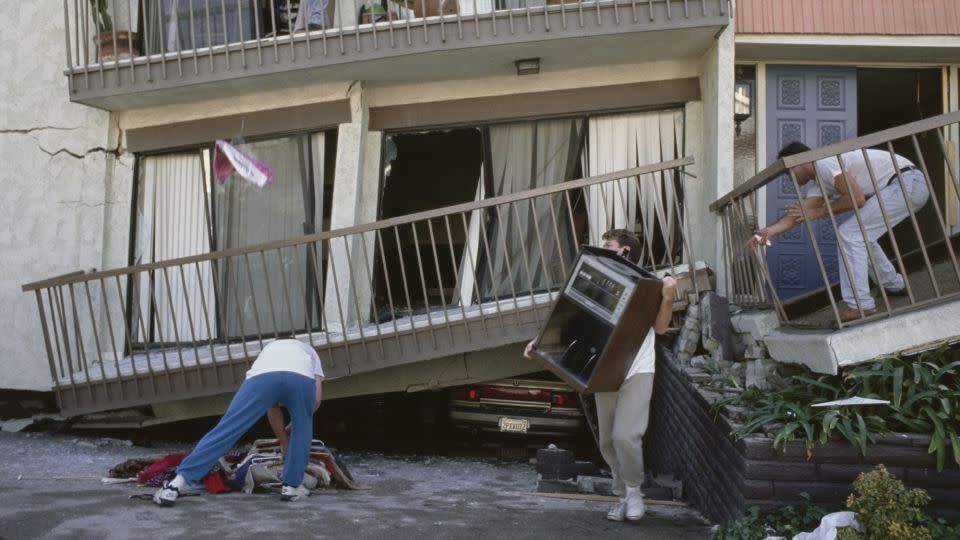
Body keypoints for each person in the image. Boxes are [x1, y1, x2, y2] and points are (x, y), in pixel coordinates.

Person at [524, 229, 677, 522]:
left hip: (637, 368)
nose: (602, 250)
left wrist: (668, 294)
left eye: (608, 246)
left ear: (625, 252)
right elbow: (571, 313)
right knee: (607, 441)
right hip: (605, 367)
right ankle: (624, 495)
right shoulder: (597, 281)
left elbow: (659, 329)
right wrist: (538, 341)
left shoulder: (650, 286)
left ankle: (634, 491)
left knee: (626, 436)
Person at [749, 142, 930, 322]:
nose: (789, 177)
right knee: (859, 236)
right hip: (905, 186)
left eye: (789, 171)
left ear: (799, 162)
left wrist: (816, 213)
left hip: (907, 183)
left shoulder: (824, 164)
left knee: (850, 234)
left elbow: (857, 199)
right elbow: (800, 215)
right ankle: (894, 285)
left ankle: (861, 306)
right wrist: (770, 231)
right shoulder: (821, 183)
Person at [153, 339, 324, 506]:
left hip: (263, 376)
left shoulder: (271, 348)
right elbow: (315, 402)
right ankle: (292, 487)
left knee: (227, 428)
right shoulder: (312, 354)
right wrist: (291, 431)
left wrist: (283, 440)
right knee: (303, 427)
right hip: (300, 377)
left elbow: (272, 408)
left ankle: (176, 485)